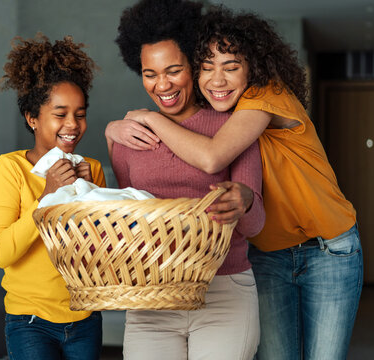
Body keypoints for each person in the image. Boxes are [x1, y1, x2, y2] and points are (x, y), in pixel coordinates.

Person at [107, 6, 363, 360]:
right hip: (269, 253)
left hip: (327, 247)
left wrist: (149, 117)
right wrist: (113, 129)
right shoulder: (225, 113)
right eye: (208, 67)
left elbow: (213, 157)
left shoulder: (264, 97)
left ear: (252, 69)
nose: (217, 79)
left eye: (231, 67)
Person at [110, 0, 265, 359]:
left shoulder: (232, 127)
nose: (162, 84)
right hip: (151, 300)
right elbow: (125, 218)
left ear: (194, 66)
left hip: (224, 294)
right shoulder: (129, 135)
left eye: (174, 70)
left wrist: (244, 199)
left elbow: (256, 225)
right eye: (150, 74)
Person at [0, 34, 106, 360]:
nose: (73, 125)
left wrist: (91, 194)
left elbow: (101, 252)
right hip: (30, 322)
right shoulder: (10, 168)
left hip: (85, 318)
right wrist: (47, 197)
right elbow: (0, 252)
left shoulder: (91, 168)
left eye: (80, 114)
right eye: (60, 113)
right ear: (32, 118)